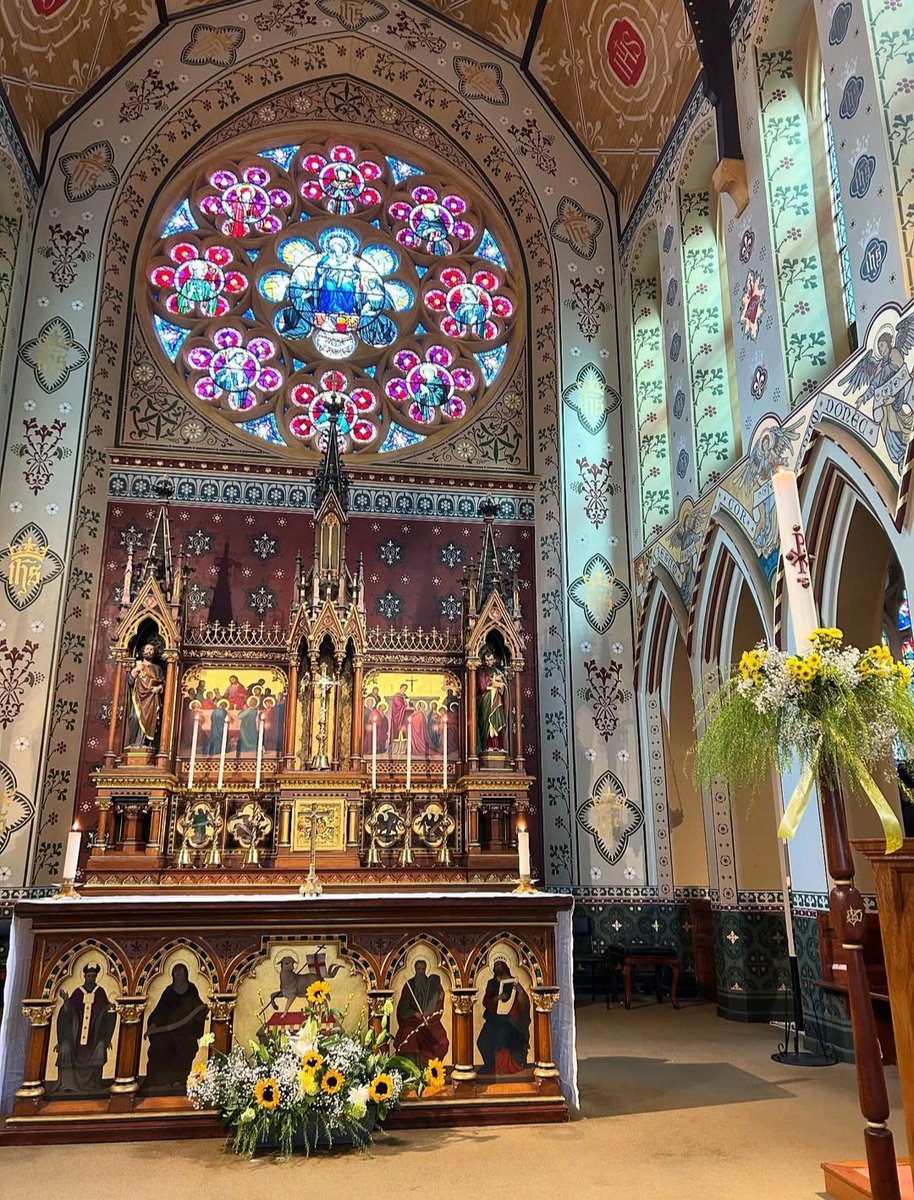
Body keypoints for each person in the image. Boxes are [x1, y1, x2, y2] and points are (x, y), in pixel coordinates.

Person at [53, 964, 117, 1094]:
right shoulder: (77, 992)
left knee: (100, 1048)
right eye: (89, 976)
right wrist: (66, 1003)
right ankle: (67, 1085)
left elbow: (106, 1012)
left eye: (93, 976)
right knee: (65, 1049)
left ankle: (94, 1084)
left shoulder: (100, 992)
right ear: (84, 976)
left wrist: (110, 1010)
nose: (91, 979)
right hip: (75, 1037)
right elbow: (67, 1015)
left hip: (94, 1035)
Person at [144, 965, 208, 1090]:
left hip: (186, 1031)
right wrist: (154, 1024)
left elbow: (198, 1006)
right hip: (167, 1030)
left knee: (187, 1045)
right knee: (158, 1046)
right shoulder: (169, 991)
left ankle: (179, 1080)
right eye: (176, 972)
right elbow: (160, 1010)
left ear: (186, 974)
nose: (179, 975)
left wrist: (202, 1012)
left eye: (181, 972)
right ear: (172, 975)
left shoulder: (191, 990)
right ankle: (163, 1081)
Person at [477, 960, 530, 1076]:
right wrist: (497, 998)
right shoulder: (492, 983)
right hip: (493, 1019)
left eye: (500, 965)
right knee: (481, 1041)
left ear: (505, 967)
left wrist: (520, 992)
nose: (497, 967)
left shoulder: (513, 982)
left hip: (509, 1020)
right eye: (496, 965)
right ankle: (490, 1066)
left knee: (502, 1039)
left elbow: (524, 1002)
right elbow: (486, 1001)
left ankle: (505, 1068)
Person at [394, 960, 449, 1066]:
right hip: (412, 1021)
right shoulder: (409, 985)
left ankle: (431, 1068)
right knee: (408, 1034)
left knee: (443, 1041)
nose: (420, 972)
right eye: (418, 969)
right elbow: (402, 1008)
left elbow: (438, 1007)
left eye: (423, 969)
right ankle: (412, 1070)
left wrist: (440, 999)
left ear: (426, 969)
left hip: (431, 1021)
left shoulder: (433, 985)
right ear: (415, 969)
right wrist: (414, 1013)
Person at [125, 642, 165, 749]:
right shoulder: (137, 665)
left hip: (151, 698)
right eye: (147, 649)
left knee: (151, 721)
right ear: (143, 652)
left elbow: (163, 683)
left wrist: (159, 688)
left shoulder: (157, 668)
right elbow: (130, 682)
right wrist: (135, 671)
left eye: (152, 650)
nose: (150, 651)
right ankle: (134, 743)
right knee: (134, 718)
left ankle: (146, 743)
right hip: (138, 697)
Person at [476, 648, 507, 755]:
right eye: (487, 660)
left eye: (491, 660)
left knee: (498, 720)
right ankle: (488, 746)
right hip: (486, 701)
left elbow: (504, 687)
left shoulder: (498, 672)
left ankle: (499, 746)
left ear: (494, 660)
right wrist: (493, 682)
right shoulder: (481, 672)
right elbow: (481, 687)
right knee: (487, 723)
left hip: (497, 701)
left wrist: (500, 685)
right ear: (484, 661)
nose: (489, 662)